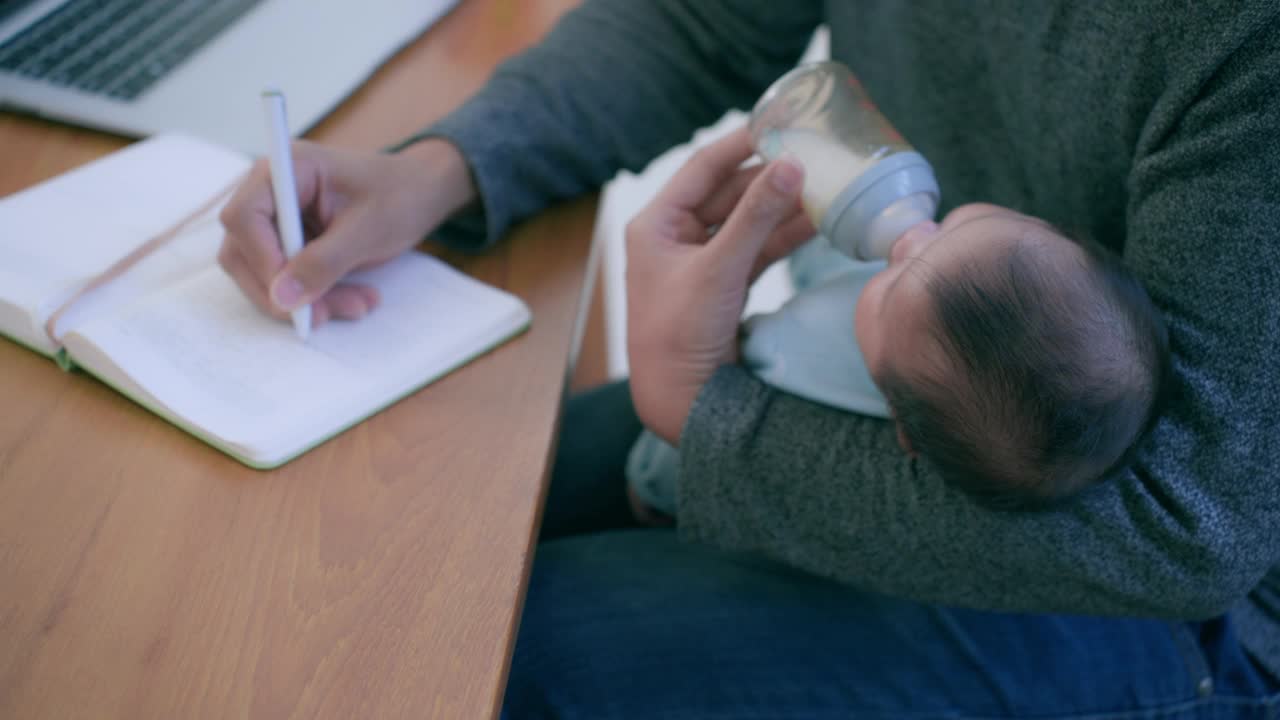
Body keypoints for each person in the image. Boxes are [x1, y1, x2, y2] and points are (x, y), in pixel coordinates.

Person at [218, 1, 1280, 716]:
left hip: (1175, 602)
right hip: (879, 409)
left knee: (494, 654)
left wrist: (707, 419)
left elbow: (1189, 521)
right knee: (449, 516)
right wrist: (451, 165)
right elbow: (701, 16)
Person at [627, 201, 1171, 514]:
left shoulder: (798, 364)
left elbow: (700, 433)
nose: (914, 239)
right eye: (956, 226)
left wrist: (647, 479)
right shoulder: (921, 346)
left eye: (889, 288)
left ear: (902, 426)